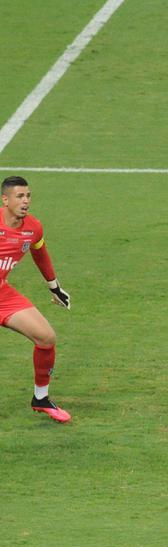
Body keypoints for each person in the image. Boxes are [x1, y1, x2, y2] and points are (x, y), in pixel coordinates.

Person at [0, 176, 72, 422]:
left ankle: (40, 398)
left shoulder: (33, 228)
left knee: (46, 337)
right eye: (20, 196)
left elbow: (40, 254)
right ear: (5, 200)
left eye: (28, 196)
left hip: (2, 295)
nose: (26, 201)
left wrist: (55, 288)